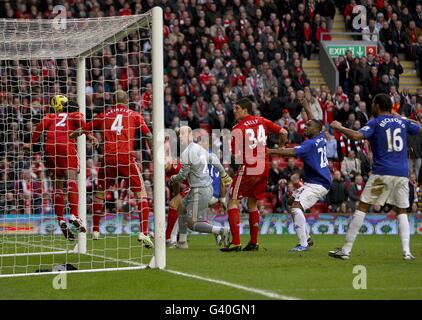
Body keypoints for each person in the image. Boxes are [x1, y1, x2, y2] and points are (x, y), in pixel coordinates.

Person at [329, 93, 422, 260]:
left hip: (382, 173)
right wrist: (400, 116)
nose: (372, 105)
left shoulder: (376, 122)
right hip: (402, 173)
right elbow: (419, 127)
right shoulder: (401, 121)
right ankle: (407, 252)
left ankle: (346, 250)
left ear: (378, 105)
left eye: (373, 103)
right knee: (402, 211)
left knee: (362, 207)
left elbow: (357, 136)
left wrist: (339, 127)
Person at [71, 91, 154, 247]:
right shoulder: (134, 115)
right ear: (127, 101)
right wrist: (154, 152)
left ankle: (95, 229)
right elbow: (148, 135)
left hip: (108, 158)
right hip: (125, 158)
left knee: (100, 193)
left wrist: (72, 135)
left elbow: (83, 128)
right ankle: (143, 232)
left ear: (114, 101)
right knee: (141, 193)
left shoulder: (104, 115)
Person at [26, 95, 97, 240]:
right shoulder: (74, 114)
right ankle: (75, 215)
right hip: (65, 146)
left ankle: (60, 219)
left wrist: (31, 143)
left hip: (49, 148)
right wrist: (89, 136)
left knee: (57, 185)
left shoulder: (51, 116)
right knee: (72, 180)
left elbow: (40, 127)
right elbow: (80, 122)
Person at [221, 97, 287, 252]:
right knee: (252, 203)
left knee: (233, 201)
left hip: (249, 167)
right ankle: (253, 242)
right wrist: (281, 147)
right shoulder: (262, 120)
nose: (234, 110)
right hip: (264, 167)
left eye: (237, 108)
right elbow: (283, 131)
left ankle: (236, 242)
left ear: (245, 110)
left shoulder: (238, 128)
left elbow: (235, 155)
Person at [268, 98, 332, 251]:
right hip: (316, 181)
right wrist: (306, 106)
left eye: (308, 126)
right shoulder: (320, 136)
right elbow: (314, 121)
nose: (305, 126)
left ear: (315, 130)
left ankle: (303, 244)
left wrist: (271, 151)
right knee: (290, 202)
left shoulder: (309, 144)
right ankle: (307, 238)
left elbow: (290, 152)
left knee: (296, 207)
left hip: (319, 183)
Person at [169, 126, 233, 249]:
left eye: (182, 134)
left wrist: (173, 178)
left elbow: (182, 175)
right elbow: (214, 159)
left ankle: (220, 230)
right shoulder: (199, 148)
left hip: (200, 190)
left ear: (190, 136)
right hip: (202, 188)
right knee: (181, 208)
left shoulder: (187, 152)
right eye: (179, 134)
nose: (180, 136)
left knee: (192, 224)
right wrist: (223, 174)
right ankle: (182, 242)